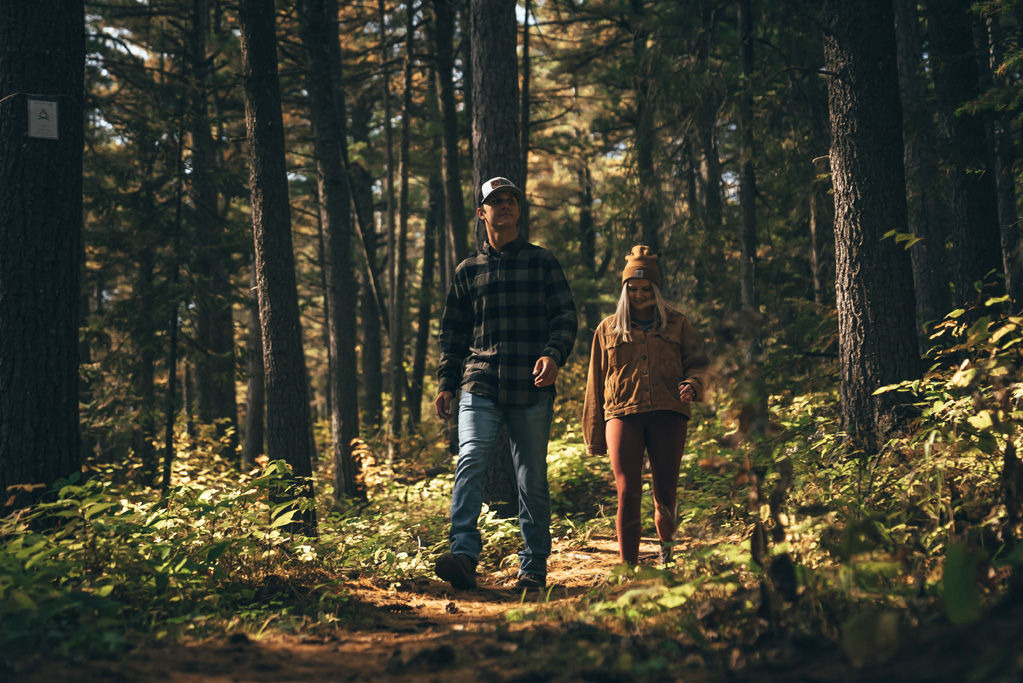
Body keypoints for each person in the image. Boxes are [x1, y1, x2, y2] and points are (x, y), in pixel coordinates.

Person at [434, 176, 578, 591]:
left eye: (512, 199)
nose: (506, 205)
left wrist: (553, 355)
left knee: (531, 478)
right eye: (496, 201)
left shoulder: (542, 261)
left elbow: (565, 318)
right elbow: (452, 336)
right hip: (479, 384)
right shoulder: (467, 271)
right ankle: (463, 555)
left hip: (531, 387)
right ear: (482, 213)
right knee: (469, 462)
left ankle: (533, 568)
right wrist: (447, 383)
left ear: (519, 209)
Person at [582, 245, 710, 566]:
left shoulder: (678, 323)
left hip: (668, 414)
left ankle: (667, 559)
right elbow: (595, 384)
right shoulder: (607, 329)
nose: (639, 295)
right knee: (627, 491)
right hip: (622, 416)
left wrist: (693, 385)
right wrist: (594, 437)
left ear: (656, 288)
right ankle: (630, 569)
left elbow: (699, 365)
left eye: (646, 288)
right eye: (633, 289)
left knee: (665, 491)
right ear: (624, 290)